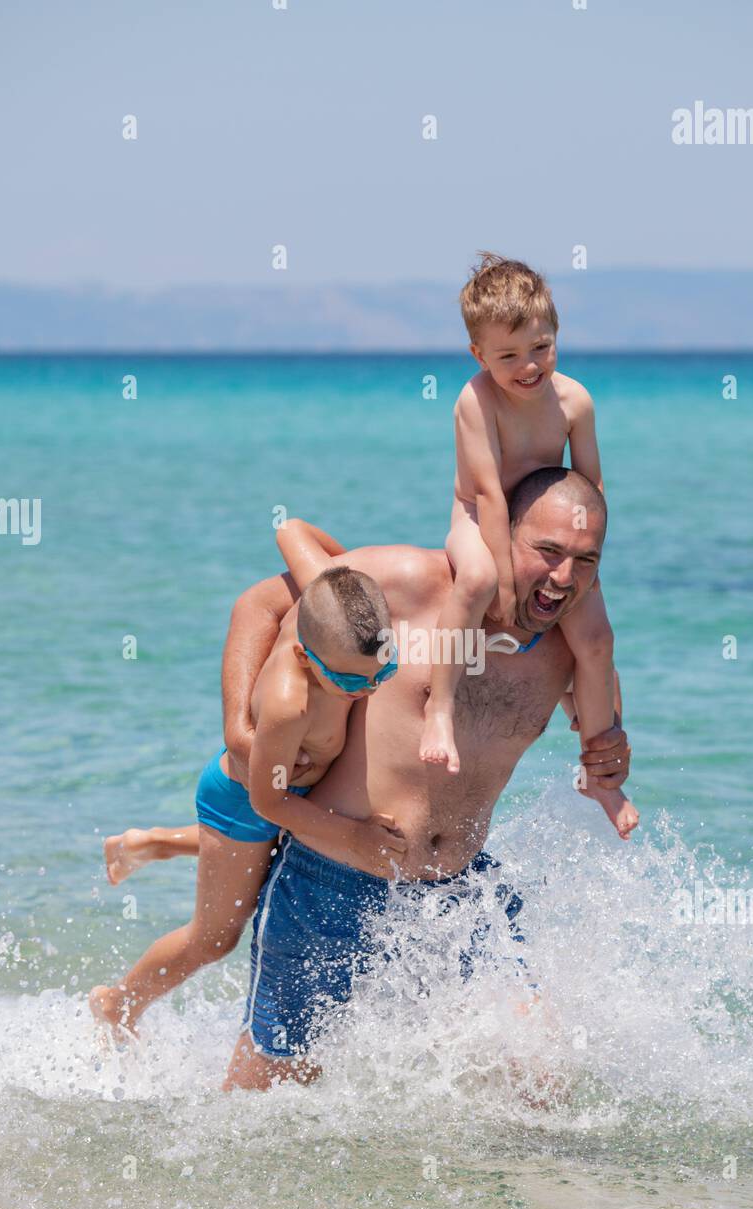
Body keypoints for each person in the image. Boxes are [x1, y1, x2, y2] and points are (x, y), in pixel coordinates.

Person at [217, 467, 631, 1089]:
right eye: (547, 552)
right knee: (273, 1090)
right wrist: (239, 731)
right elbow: (260, 603)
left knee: (540, 1076)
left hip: (459, 892)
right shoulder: (410, 583)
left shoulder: (575, 647)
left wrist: (612, 754)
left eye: (585, 560)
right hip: (330, 880)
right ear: (502, 535)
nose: (563, 578)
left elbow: (602, 735)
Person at [89, 566, 406, 1044]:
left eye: (384, 671)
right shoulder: (289, 704)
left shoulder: (342, 627)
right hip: (243, 803)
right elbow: (267, 801)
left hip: (280, 801)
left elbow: (297, 535)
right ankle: (116, 1003)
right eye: (349, 680)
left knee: (254, 860)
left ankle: (149, 843)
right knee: (215, 939)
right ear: (304, 655)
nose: (368, 689)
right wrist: (355, 837)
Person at [418, 253, 638, 843]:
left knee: (595, 638)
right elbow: (488, 492)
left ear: (555, 334)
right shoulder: (475, 401)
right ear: (478, 356)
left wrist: (588, 570)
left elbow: (592, 490)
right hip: (478, 516)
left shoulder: (574, 402)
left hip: (545, 528)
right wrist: (508, 585)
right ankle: (439, 708)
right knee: (474, 585)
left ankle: (601, 773)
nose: (527, 366)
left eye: (539, 347)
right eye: (508, 356)